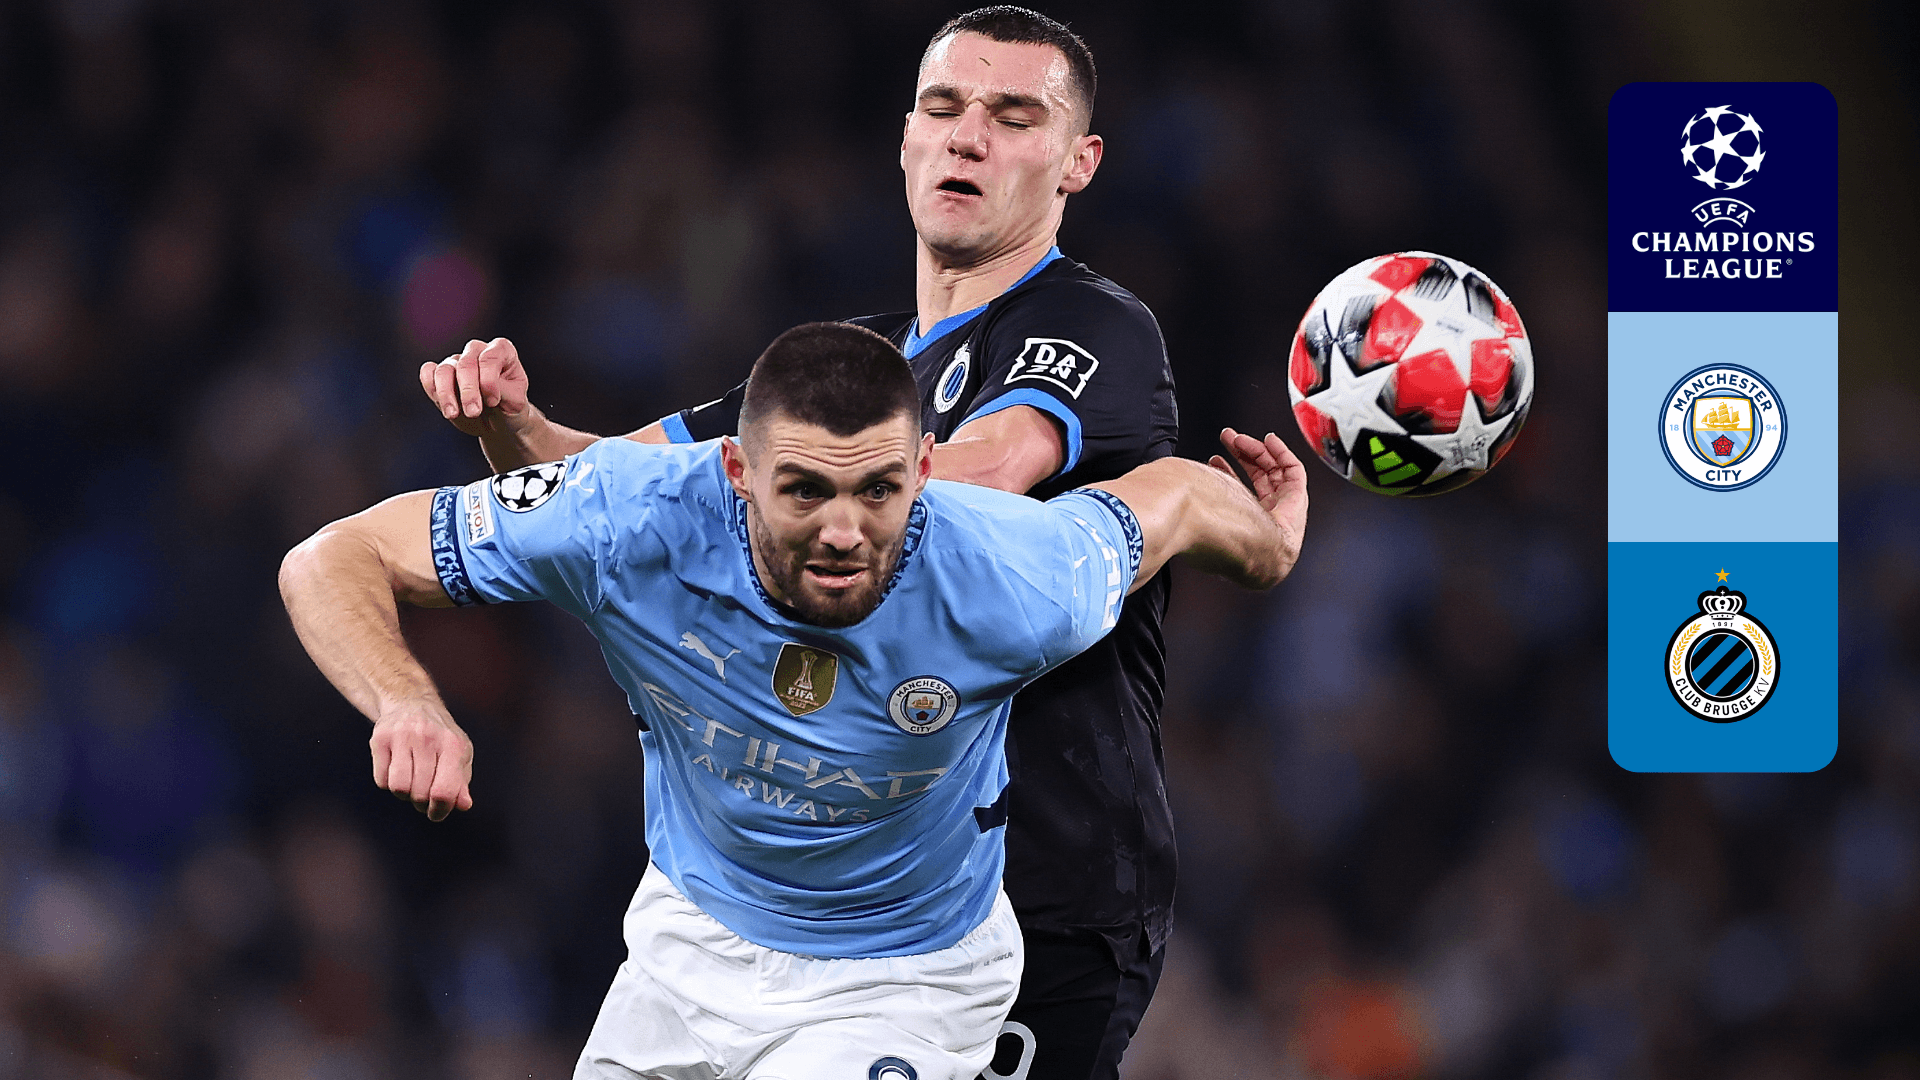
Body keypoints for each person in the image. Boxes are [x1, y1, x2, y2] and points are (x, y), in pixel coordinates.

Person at [422, 10, 1185, 1075]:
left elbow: (991, 467)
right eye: (945, 108)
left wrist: (793, 489)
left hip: (1044, 895)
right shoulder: (850, 368)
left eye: (1015, 118)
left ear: (1078, 162)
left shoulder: (1095, 325)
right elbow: (622, 494)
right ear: (906, 137)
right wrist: (517, 429)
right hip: (841, 907)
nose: (969, 138)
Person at [283, 322, 1306, 1079]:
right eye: (806, 490)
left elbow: (1174, 497)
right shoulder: (631, 517)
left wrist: (1269, 550)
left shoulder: (1010, 574)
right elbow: (333, 557)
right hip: (688, 946)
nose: (844, 532)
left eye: (878, 491)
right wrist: (406, 703)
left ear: (925, 470)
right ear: (736, 469)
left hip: (901, 981)